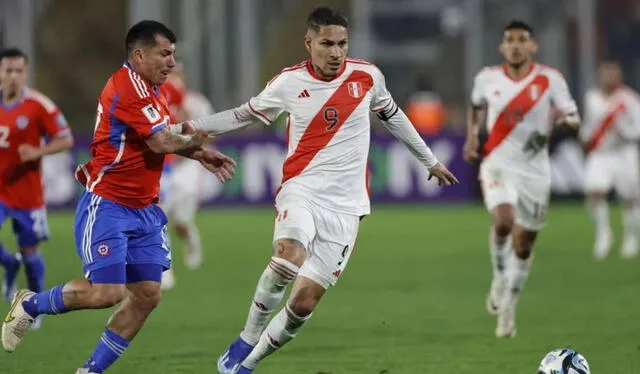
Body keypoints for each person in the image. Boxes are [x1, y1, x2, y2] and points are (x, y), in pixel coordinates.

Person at [180, 6, 458, 373]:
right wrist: (190, 127)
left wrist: (430, 161)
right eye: (327, 43)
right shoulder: (289, 83)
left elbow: (394, 117)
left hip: (347, 207)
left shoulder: (368, 77)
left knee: (303, 305)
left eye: (342, 43)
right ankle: (246, 338)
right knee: (288, 255)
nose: (335, 52)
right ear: (309, 42)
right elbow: (244, 114)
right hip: (302, 190)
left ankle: (247, 363)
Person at [1, 20, 236, 374]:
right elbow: (159, 142)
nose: (172, 62)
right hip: (109, 204)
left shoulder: (153, 89)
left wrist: (198, 153)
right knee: (106, 293)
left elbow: (158, 137)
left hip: (144, 208)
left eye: (173, 54)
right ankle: (31, 303)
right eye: (165, 53)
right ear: (139, 55)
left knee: (147, 294)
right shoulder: (128, 87)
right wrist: (199, 141)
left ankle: (90, 370)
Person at [463, 20, 580, 338]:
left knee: (525, 245)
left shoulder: (549, 79)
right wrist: (473, 138)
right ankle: (500, 277)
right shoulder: (486, 78)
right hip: (497, 163)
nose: (515, 45)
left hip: (535, 172)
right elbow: (475, 106)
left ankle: (510, 305)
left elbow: (574, 118)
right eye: (510, 40)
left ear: (533, 46)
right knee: (503, 221)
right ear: (502, 47)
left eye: (522, 40)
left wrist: (564, 119)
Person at [0, 48, 74, 326]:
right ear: (0, 72)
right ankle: (9, 263)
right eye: (8, 70)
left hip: (26, 194)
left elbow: (65, 140)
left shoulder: (39, 105)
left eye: (19, 70)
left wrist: (38, 151)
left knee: (30, 253)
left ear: (26, 73)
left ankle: (34, 305)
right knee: (18, 256)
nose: (13, 76)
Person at [160, 74, 216, 290]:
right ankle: (165, 270)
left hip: (187, 167)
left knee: (181, 221)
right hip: (163, 166)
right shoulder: (145, 94)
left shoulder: (192, 100)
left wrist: (192, 141)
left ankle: (191, 238)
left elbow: (207, 132)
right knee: (159, 217)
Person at [581, 60, 640, 260]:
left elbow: (638, 129)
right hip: (601, 154)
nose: (608, 78)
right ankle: (603, 235)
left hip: (624, 153)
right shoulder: (592, 98)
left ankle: (631, 237)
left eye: (612, 74)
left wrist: (624, 131)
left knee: (629, 198)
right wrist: (585, 137)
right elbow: (589, 125)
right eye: (605, 74)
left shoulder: (629, 99)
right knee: (594, 192)